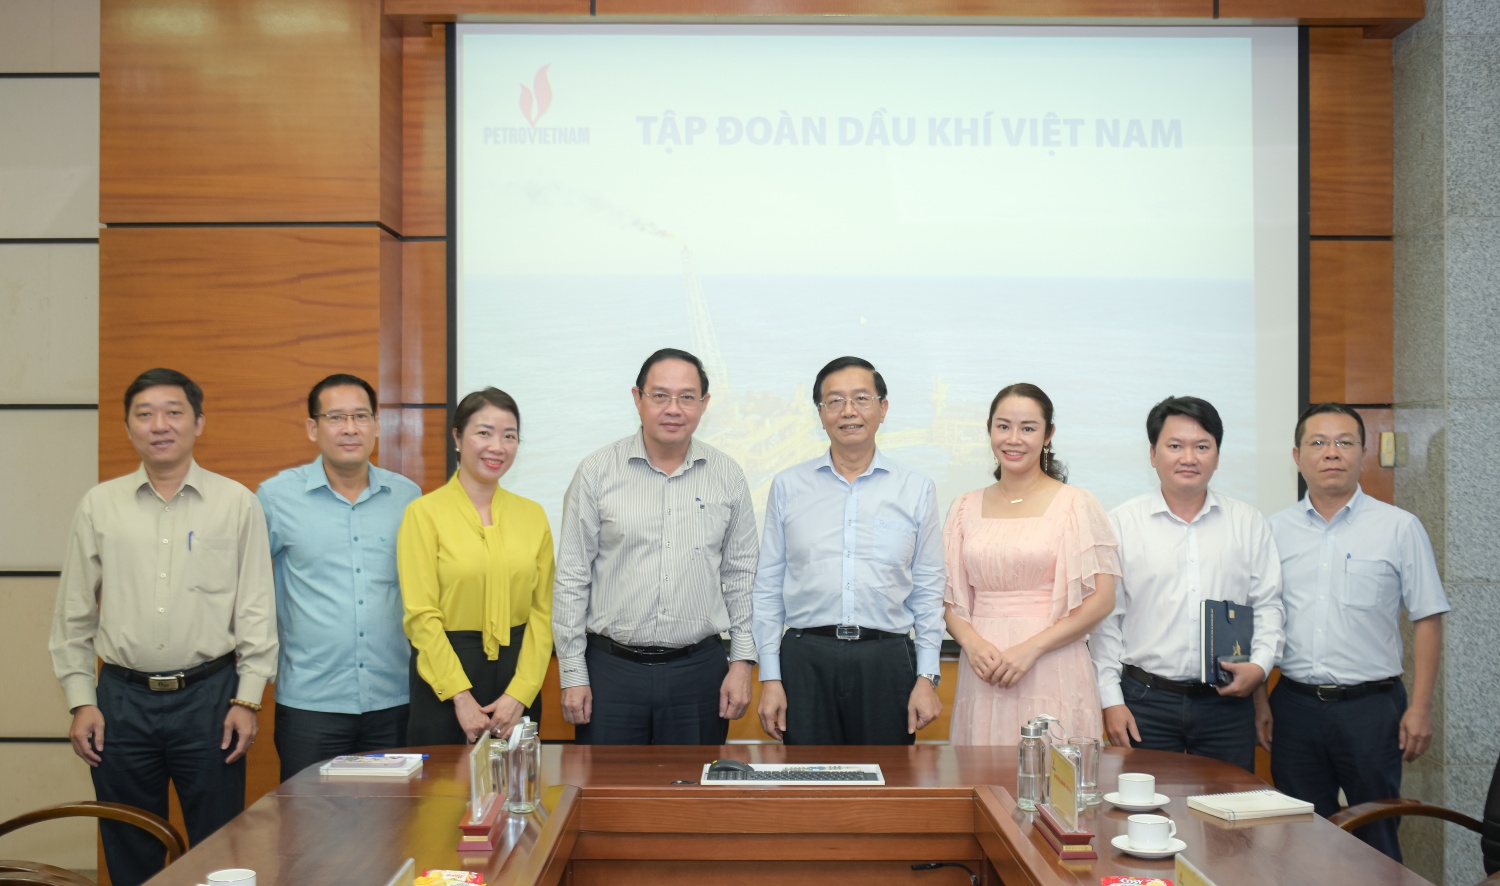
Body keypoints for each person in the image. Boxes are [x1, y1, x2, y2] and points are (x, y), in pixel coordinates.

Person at [49, 368, 276, 886]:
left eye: (174, 412)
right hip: (121, 701)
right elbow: (73, 613)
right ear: (128, 427)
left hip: (211, 698)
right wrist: (82, 700)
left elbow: (257, 609)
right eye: (145, 414)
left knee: (221, 847)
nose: (160, 425)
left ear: (198, 422)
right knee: (130, 844)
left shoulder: (236, 502)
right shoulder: (100, 504)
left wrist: (247, 700)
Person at [1260, 402, 1448, 861]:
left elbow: (1428, 618)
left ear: (1362, 454)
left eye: (1344, 442)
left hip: (1372, 710)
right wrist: (1260, 702)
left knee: (1375, 836)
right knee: (1299, 838)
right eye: (1318, 442)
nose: (1332, 452)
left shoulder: (1399, 527)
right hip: (1295, 707)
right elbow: (1260, 620)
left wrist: (1421, 708)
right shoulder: (1272, 531)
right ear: (1297, 455)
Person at [553, 348, 758, 744]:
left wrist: (742, 663)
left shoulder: (727, 476)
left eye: (687, 397)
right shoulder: (596, 472)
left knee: (694, 784)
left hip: (699, 673)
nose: (673, 408)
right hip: (611, 672)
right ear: (638, 398)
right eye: (660, 395)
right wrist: (573, 673)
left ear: (704, 404)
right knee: (607, 783)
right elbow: (572, 577)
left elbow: (741, 576)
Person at [754, 356, 944, 745]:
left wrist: (926, 676)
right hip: (805, 660)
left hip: (886, 660)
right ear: (820, 413)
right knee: (806, 778)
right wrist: (770, 677)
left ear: (883, 408)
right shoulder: (789, 485)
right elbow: (768, 586)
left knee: (887, 779)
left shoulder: (915, 488)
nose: (848, 411)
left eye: (861, 398)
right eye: (835, 401)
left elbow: (928, 587)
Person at [1089, 395, 1283, 773]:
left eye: (1202, 447)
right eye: (1175, 446)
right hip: (1145, 701)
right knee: (1143, 806)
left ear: (1217, 455)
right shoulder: (1122, 524)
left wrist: (1260, 666)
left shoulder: (1248, 523)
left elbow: (1268, 605)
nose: (1189, 458)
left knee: (1229, 807)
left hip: (1227, 702)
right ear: (1153, 454)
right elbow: (1107, 621)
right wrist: (1111, 700)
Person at [257, 374, 421, 780]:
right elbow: (250, 591)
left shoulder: (408, 498)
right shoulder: (276, 497)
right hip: (310, 703)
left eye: (361, 416)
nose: (350, 428)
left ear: (377, 425)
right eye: (336, 417)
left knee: (393, 815)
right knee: (308, 816)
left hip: (393, 700)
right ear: (313, 428)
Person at [943, 383, 1119, 744]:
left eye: (1028, 428)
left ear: (1048, 434)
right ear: (989, 429)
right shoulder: (963, 507)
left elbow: (1102, 599)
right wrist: (972, 644)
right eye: (1003, 426)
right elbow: (948, 598)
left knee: (1052, 770)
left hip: (1053, 662)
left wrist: (1032, 648)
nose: (1014, 439)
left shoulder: (1076, 504)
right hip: (984, 667)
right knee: (982, 769)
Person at [398, 387, 554, 744]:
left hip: (517, 682)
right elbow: (421, 616)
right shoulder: (423, 514)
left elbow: (544, 613)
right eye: (484, 433)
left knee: (515, 780)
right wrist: (460, 697)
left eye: (509, 436)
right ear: (457, 437)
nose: (497, 447)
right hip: (443, 680)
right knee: (443, 781)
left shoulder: (533, 515)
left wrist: (521, 693)